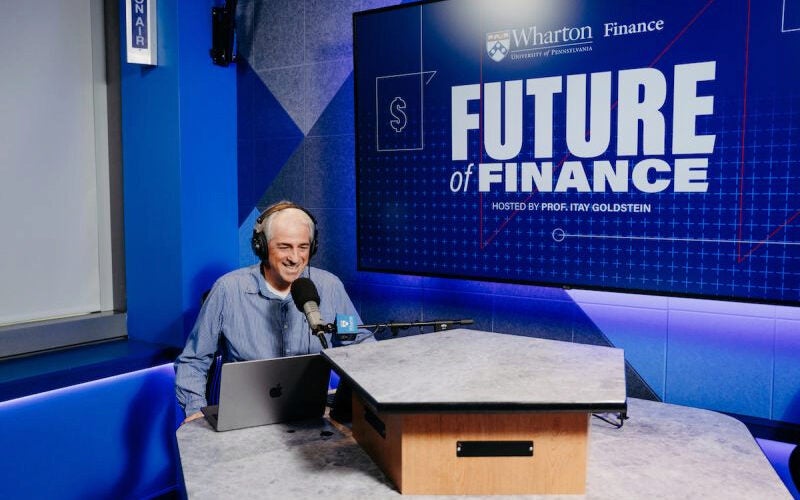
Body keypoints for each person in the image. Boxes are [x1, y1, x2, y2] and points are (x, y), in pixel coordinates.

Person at [174, 201, 371, 424]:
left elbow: (362, 346)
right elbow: (193, 360)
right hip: (244, 418)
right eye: (284, 247)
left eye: (303, 247)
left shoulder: (329, 286)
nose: (295, 258)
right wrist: (195, 409)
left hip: (313, 415)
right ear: (262, 247)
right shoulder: (228, 290)